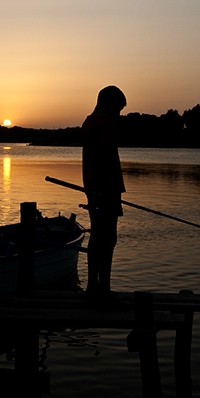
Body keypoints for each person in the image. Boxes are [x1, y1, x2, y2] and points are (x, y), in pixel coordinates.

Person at [81, 85, 127, 297]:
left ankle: (92, 286)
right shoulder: (106, 122)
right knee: (108, 239)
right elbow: (106, 158)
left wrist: (94, 190)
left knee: (96, 237)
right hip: (106, 190)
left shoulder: (88, 122)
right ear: (108, 103)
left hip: (92, 189)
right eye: (118, 109)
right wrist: (109, 192)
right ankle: (105, 289)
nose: (118, 114)